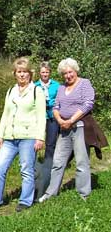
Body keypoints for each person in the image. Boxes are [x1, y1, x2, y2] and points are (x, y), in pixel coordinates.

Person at [0, 57, 45, 212]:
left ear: (30, 73)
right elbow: (6, 114)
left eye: (25, 72)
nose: (22, 75)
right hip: (10, 137)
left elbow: (41, 116)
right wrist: (0, 135)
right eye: (19, 72)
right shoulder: (11, 90)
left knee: (26, 169)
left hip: (28, 137)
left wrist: (40, 137)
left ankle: (25, 201)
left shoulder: (37, 91)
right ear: (15, 73)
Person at [38, 58, 95, 202]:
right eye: (64, 73)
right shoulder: (62, 88)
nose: (67, 76)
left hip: (79, 127)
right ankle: (51, 192)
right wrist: (61, 121)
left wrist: (71, 120)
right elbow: (56, 106)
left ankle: (84, 194)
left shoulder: (84, 83)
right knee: (58, 161)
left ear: (75, 71)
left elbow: (88, 104)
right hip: (64, 128)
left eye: (70, 72)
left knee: (82, 161)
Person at [33, 61, 60, 199]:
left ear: (50, 73)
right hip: (39, 117)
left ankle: (49, 164)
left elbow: (60, 99)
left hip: (52, 116)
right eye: (43, 72)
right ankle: (34, 164)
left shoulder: (56, 85)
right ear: (40, 73)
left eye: (47, 72)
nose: (45, 74)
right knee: (36, 141)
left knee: (51, 142)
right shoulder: (34, 86)